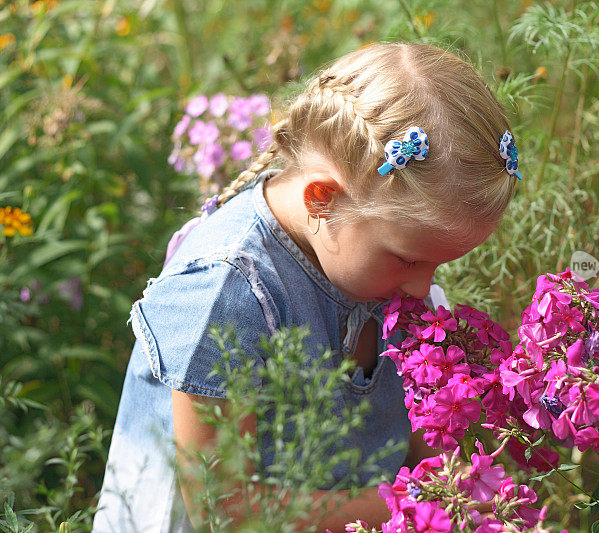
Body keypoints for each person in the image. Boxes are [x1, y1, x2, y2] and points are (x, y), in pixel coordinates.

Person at [92, 41, 522, 532]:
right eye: (409, 259)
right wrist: (423, 507)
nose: (424, 286)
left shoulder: (377, 267)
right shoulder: (226, 293)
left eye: (440, 264)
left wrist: (463, 482)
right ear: (323, 200)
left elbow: (428, 453)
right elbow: (224, 511)